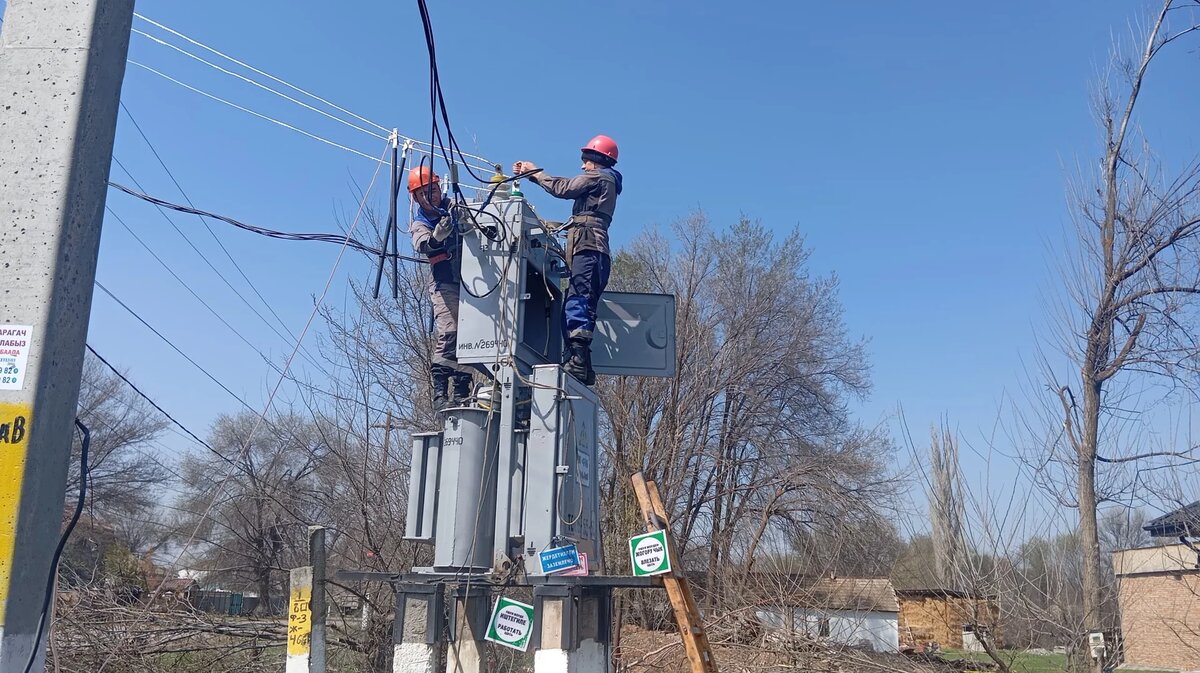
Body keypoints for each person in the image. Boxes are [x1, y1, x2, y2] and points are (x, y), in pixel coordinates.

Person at [513, 135, 623, 385]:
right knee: (584, 302)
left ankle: (578, 360)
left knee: (577, 300)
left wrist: (536, 173)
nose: (583, 166)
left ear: (597, 160)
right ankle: (583, 364)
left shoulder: (600, 176)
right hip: (596, 249)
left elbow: (564, 188)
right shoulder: (607, 181)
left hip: (588, 246)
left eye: (586, 161)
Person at [408, 165, 471, 409]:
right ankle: (440, 393)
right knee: (451, 330)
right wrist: (438, 237)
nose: (430, 196)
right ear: (415, 198)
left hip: (472, 283)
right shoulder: (420, 223)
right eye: (423, 193)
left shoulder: (455, 207)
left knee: (471, 335)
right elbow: (423, 245)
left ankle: (462, 392)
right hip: (445, 283)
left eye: (432, 190)